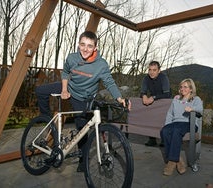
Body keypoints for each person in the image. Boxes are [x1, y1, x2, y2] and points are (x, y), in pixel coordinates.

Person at [35, 31, 129, 172]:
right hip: (69, 87)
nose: (85, 49)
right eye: (82, 44)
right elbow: (65, 72)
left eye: (89, 46)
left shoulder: (101, 65)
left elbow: (109, 83)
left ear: (95, 48)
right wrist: (65, 89)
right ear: (78, 45)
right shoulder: (72, 58)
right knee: (40, 90)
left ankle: (82, 162)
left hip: (84, 97)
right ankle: (47, 121)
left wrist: (120, 98)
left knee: (82, 129)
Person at [160, 78, 203, 176]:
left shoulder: (195, 99)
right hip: (176, 123)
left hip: (189, 124)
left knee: (176, 131)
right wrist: (167, 125)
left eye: (185, 87)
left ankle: (171, 163)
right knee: (164, 131)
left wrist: (192, 108)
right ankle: (178, 159)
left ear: (191, 89)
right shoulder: (176, 99)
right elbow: (170, 113)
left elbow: (200, 109)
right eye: (181, 87)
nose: (182, 89)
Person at [140, 61, 171, 147]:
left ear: (159, 70)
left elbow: (167, 94)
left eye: (154, 70)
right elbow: (143, 91)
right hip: (153, 102)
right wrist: (144, 95)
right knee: (151, 116)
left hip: (165, 102)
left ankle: (164, 139)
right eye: (150, 70)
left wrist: (153, 97)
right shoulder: (146, 78)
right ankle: (152, 139)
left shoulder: (163, 78)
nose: (151, 72)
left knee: (164, 119)